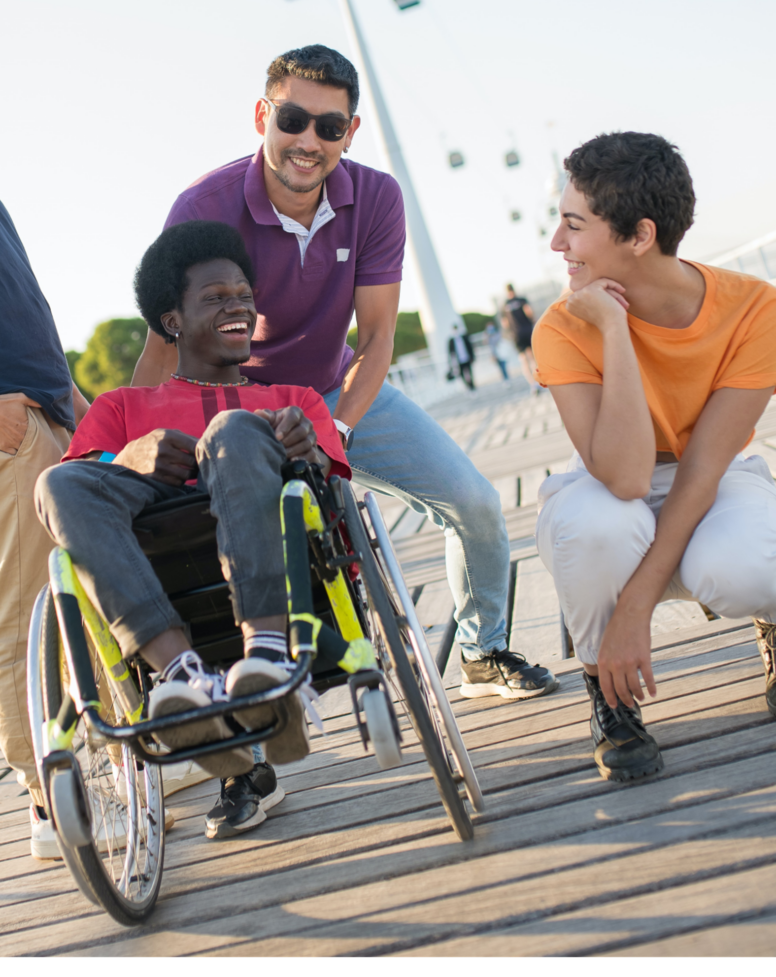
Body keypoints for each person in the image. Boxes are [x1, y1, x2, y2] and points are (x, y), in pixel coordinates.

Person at [130, 47, 558, 721]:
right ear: (261, 116)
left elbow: (380, 335)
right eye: (293, 119)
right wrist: (136, 449)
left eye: (330, 128)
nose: (308, 142)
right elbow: (165, 344)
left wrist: (339, 428)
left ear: (350, 133)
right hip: (238, 414)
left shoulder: (376, 197)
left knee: (474, 502)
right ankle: (237, 737)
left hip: (336, 390)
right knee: (200, 550)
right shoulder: (203, 207)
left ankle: (481, 651)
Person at [35, 221, 351, 838]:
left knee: (234, 432)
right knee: (57, 482)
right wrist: (129, 456)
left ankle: (265, 661)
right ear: (172, 320)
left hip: (288, 586)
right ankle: (184, 678)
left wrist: (303, 449)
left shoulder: (294, 399)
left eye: (243, 294)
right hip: (164, 584)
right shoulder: (121, 410)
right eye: (215, 296)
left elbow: (331, 485)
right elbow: (79, 488)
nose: (238, 304)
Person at [532, 131, 776, 784]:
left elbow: (699, 474)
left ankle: (771, 626)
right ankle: (606, 695)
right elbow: (628, 475)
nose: (557, 244)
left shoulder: (755, 309)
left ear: (639, 236)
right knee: (592, 526)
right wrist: (613, 330)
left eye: (573, 226)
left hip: (716, 476)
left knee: (748, 566)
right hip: (616, 477)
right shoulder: (562, 327)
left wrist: (636, 606)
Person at [0, 200, 93, 859]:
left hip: (46, 407)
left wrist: (69, 396)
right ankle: (47, 796)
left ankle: (115, 766)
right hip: (10, 425)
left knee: (86, 596)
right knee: (22, 618)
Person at [502, 283, 540, 393]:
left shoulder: (504, 304)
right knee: (532, 358)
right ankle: (538, 381)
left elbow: (505, 323)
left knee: (523, 360)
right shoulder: (522, 300)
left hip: (516, 335)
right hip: (527, 331)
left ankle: (532, 385)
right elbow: (529, 312)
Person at [447, 322, 476, 391]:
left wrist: (472, 357)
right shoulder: (451, 340)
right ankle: (468, 387)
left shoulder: (464, 337)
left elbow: (470, 347)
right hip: (458, 361)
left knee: (470, 373)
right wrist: (450, 364)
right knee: (462, 375)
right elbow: (450, 353)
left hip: (466, 358)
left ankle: (472, 387)